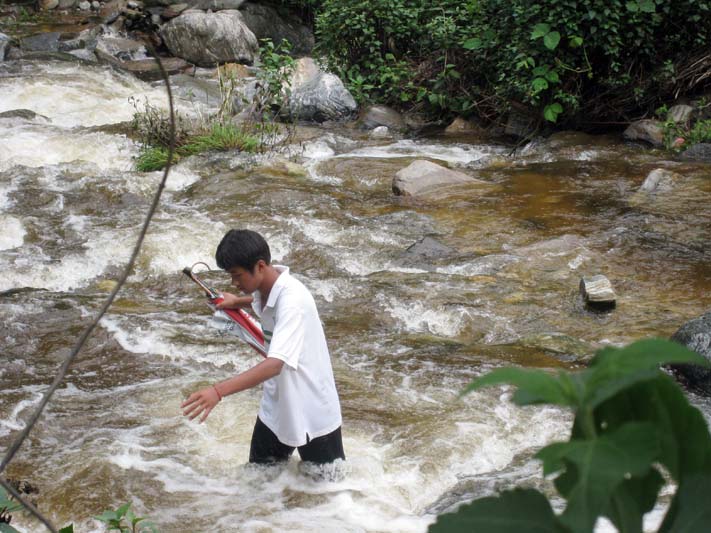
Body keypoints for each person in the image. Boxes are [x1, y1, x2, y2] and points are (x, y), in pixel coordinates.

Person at [181, 229, 345, 466]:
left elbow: (274, 365)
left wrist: (217, 392)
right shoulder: (267, 289)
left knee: (328, 492)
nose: (234, 283)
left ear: (259, 266)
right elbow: (263, 298)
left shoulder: (293, 301)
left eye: (237, 276)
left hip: (312, 410)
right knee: (258, 480)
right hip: (278, 403)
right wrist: (237, 302)